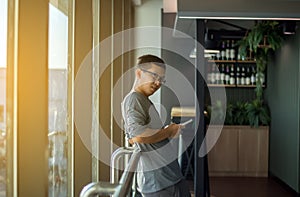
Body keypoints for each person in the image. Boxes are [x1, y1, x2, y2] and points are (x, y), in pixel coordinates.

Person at [121, 54, 191, 197]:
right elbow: (138, 135)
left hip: (168, 178)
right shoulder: (134, 99)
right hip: (159, 182)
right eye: (154, 76)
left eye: (161, 79)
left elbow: (138, 135)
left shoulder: (143, 99)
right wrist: (169, 131)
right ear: (139, 73)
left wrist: (167, 131)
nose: (158, 83)